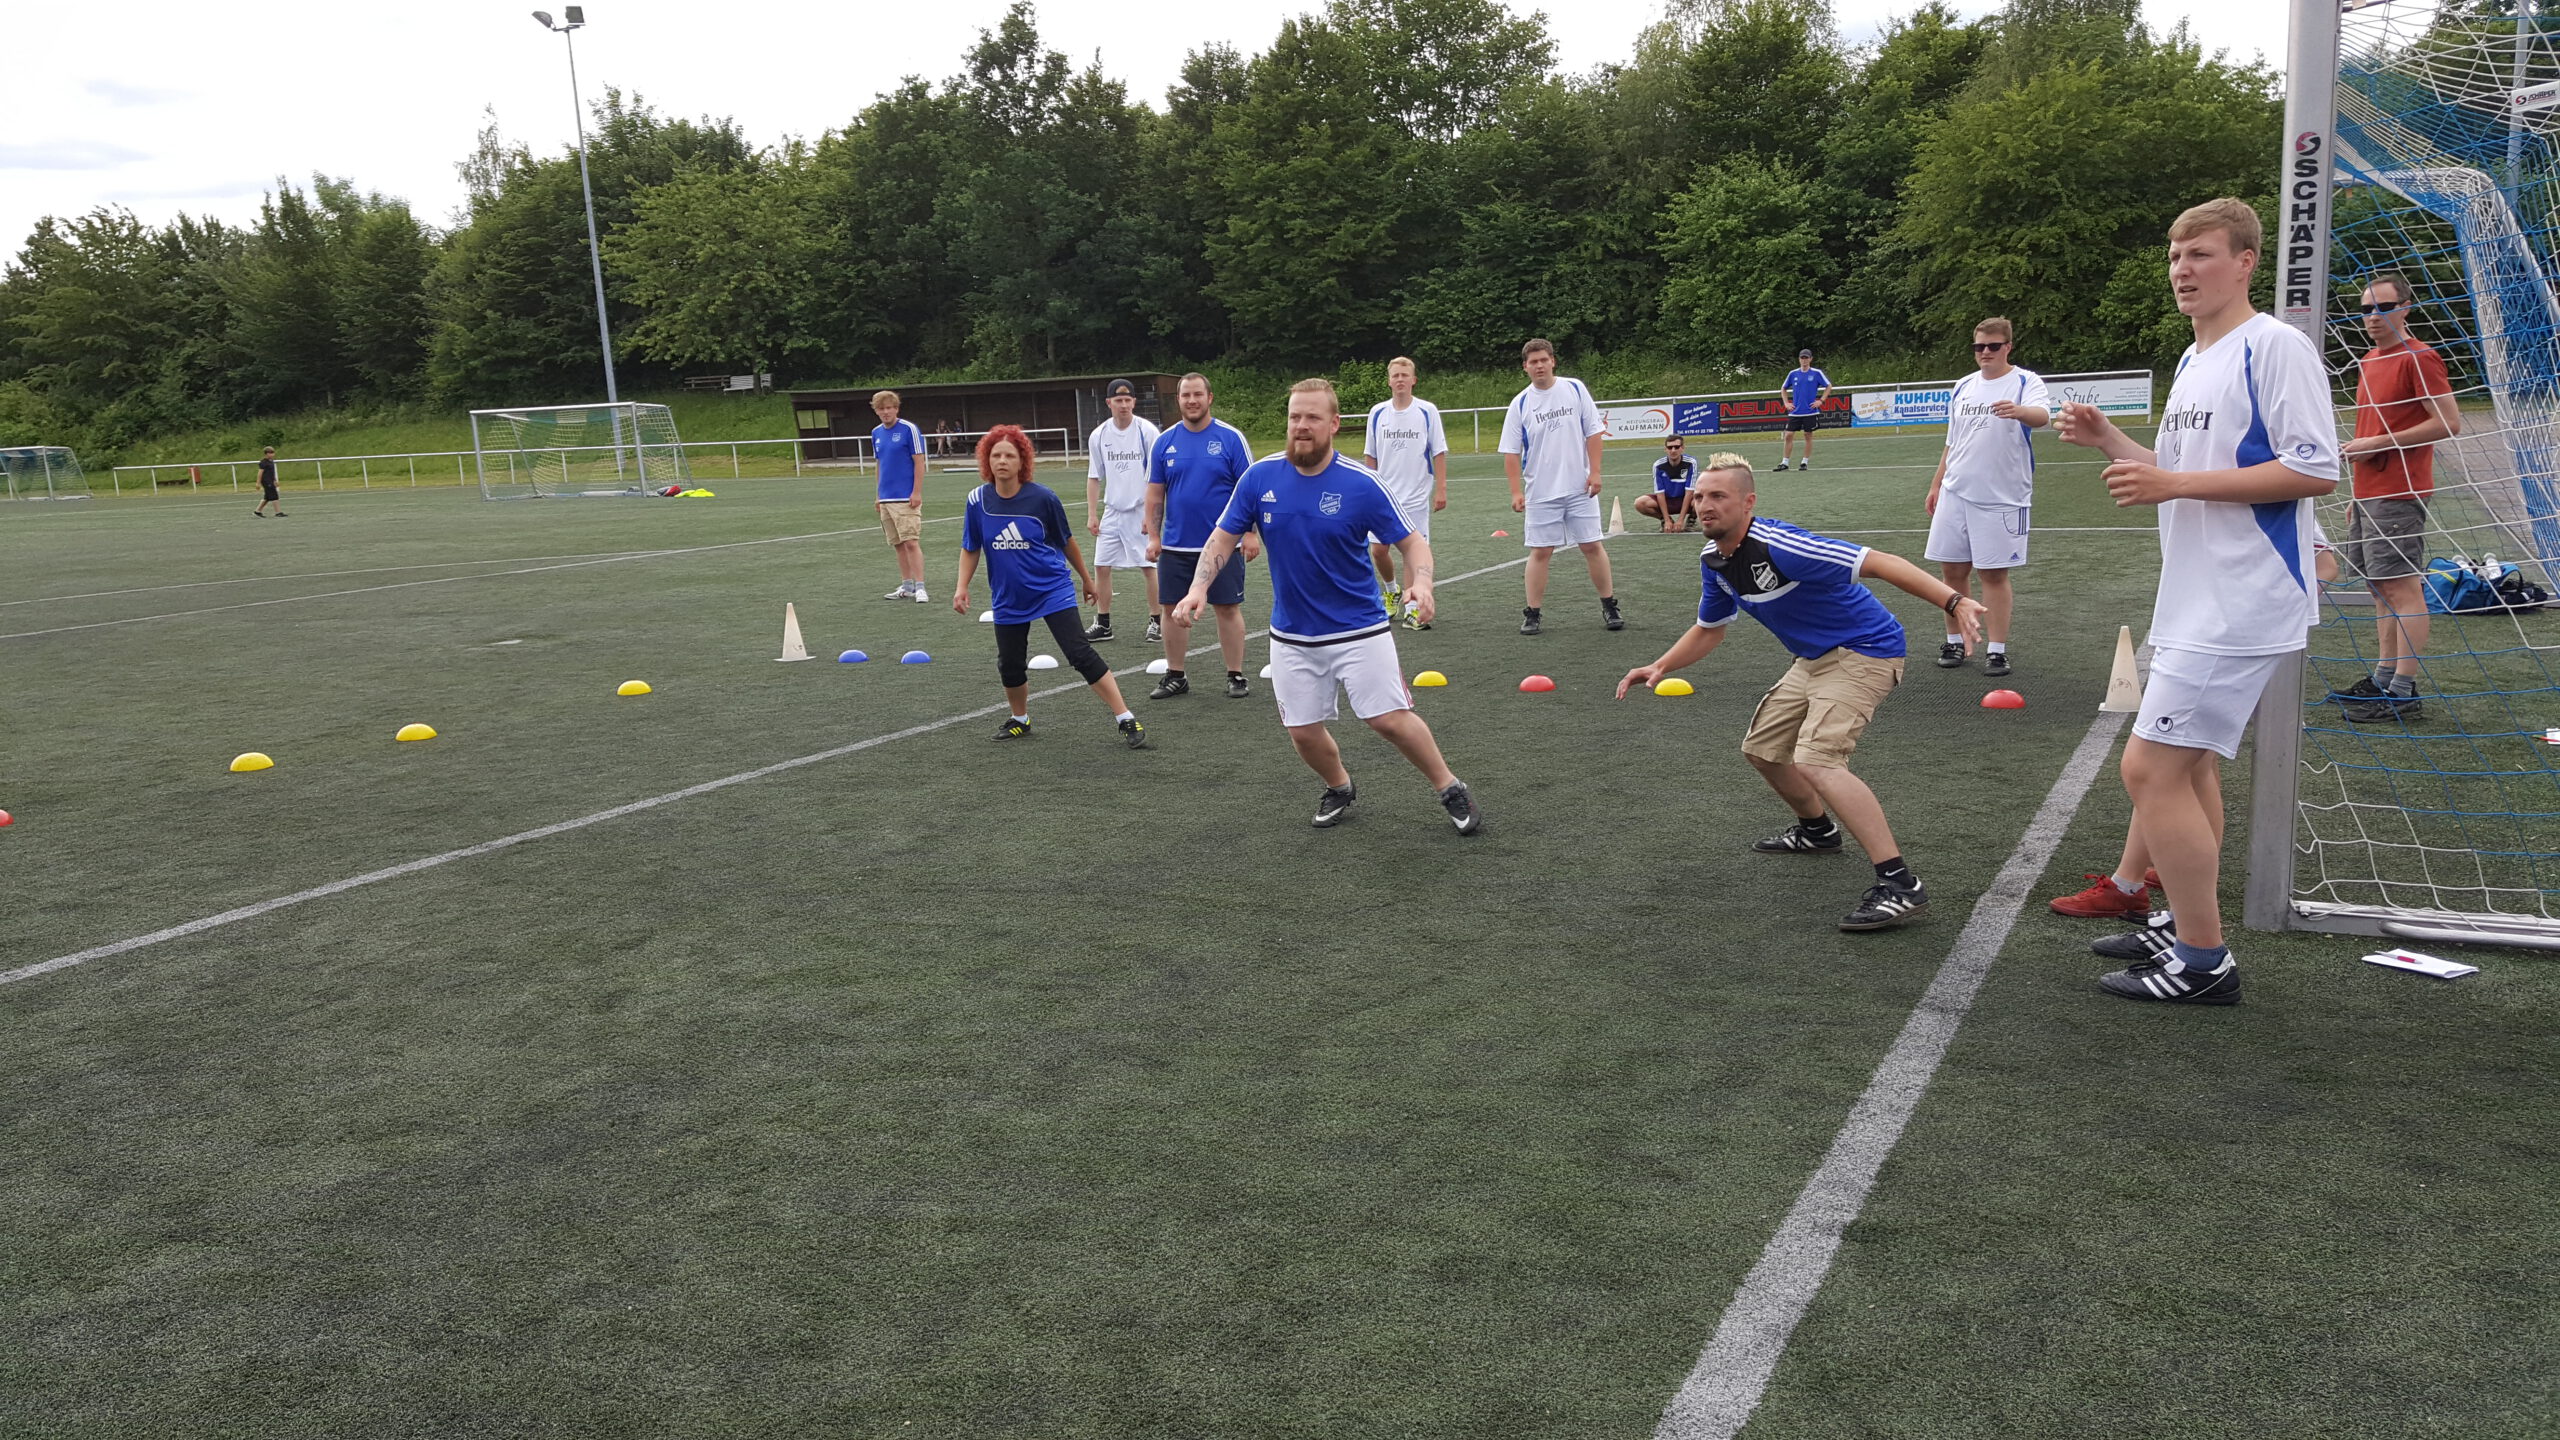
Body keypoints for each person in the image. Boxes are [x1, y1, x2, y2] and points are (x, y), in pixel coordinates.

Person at [2058, 196, 2340, 1005]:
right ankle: (2182, 927)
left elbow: (2314, 467)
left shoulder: (2273, 346)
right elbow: (2183, 468)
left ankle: (2204, 963)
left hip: (2242, 598)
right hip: (2195, 597)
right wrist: (2111, 443)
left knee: (2149, 768)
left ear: (2246, 262)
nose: (2183, 270)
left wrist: (2175, 484)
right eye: (2176, 256)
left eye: (2201, 254)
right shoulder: (2193, 358)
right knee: (2192, 768)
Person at [1617, 452, 1984, 931]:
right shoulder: (1713, 560)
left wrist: (1953, 601)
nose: (1705, 505)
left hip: (1865, 650)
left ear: (1748, 503)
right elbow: (1710, 628)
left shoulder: (1782, 545)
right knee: (1764, 750)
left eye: (1719, 496)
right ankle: (1818, 831)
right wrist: (1661, 665)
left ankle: (1900, 885)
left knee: (1818, 760)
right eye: (1701, 496)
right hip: (1812, 660)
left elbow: (1881, 562)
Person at [1174, 378, 1482, 834]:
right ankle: (1339, 785)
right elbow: (1222, 538)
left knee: (1388, 720)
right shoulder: (1259, 478)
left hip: (1359, 629)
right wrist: (1198, 589)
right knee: (1302, 730)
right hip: (1292, 634)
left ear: (1334, 424)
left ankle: (1449, 786)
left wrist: (1423, 583)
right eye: (1294, 416)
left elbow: (1412, 542)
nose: (1301, 425)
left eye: (1312, 417)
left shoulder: (1362, 483)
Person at [952, 425, 1147, 749]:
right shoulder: (977, 500)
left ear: (1022, 461)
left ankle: (1125, 717)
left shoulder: (1043, 498)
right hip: (1008, 596)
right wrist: (962, 587)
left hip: (1051, 589)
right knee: (1010, 664)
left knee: (1079, 653)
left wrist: (1086, 579)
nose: (1002, 461)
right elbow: (971, 546)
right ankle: (1020, 719)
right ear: (987, 459)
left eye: (1009, 455)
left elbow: (1066, 541)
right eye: (996, 455)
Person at [2336, 270, 2460, 723]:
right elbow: (2368, 428)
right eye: (2366, 309)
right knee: (2379, 588)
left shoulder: (2420, 357)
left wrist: (2378, 445)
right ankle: (2384, 678)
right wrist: (2357, 492)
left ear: (2405, 308)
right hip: (2370, 491)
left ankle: (2403, 691)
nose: (2373, 316)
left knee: (2402, 588)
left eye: (2383, 307)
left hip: (2400, 490)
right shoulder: (2370, 359)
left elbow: (2448, 423)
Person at [1923, 317, 2051, 678]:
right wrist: (1936, 484)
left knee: (1993, 573)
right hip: (1955, 491)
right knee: (1952, 570)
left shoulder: (2025, 381)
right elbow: (1952, 442)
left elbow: (2042, 416)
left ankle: (1996, 650)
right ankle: (1955, 641)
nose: (1985, 352)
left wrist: (2019, 411)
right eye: (1979, 346)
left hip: (2001, 495)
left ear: (2008, 346)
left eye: (1993, 346)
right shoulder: (1963, 385)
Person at [1145, 373, 1258, 698]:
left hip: (1224, 545)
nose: (1191, 401)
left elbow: (1249, 489)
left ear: (1209, 398)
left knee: (1227, 608)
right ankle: (1176, 674)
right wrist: (1154, 537)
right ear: (1178, 400)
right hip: (1175, 545)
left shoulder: (1231, 438)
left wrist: (1250, 533)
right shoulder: (1164, 441)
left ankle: (1235, 675)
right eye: (1186, 395)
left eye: (1197, 394)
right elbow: (1155, 493)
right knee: (1171, 608)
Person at [1499, 338, 1622, 635]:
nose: (1539, 366)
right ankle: (1532, 613)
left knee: (1592, 545)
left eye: (1544, 360)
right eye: (1533, 362)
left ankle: (1610, 606)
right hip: (1541, 492)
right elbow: (1511, 452)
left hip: (1580, 488)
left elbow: (1594, 432)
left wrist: (1595, 472)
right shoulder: (1520, 404)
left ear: (1553, 361)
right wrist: (1516, 491)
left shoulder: (1574, 388)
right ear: (1525, 367)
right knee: (1541, 551)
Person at [1361, 356, 1450, 630]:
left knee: (1412, 552)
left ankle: (1412, 609)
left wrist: (1441, 489)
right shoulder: (1378, 413)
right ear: (1389, 381)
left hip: (1415, 495)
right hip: (1384, 495)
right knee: (1378, 550)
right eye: (1395, 375)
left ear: (1414, 380)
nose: (1400, 379)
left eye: (1404, 375)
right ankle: (1392, 590)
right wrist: (1369, 490)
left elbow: (1438, 451)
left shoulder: (1427, 411)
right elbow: (1370, 455)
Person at [1083, 378, 1163, 644]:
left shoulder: (1147, 431)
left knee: (1148, 565)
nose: (1124, 405)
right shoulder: (1099, 435)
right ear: (1109, 403)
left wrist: (1151, 515)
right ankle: (1103, 622)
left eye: (1128, 400)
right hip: (1113, 511)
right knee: (1101, 565)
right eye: (1118, 400)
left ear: (1134, 402)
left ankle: (1157, 620)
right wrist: (1092, 514)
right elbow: (1094, 476)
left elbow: (1157, 477)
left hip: (1140, 509)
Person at [871, 391, 929, 602]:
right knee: (897, 544)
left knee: (911, 542)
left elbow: (919, 462)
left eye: (889, 408)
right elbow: (880, 464)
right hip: (886, 499)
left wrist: (916, 492)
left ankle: (920, 587)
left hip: (905, 498)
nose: (886, 412)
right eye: (881, 408)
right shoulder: (876, 433)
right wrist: (878, 495)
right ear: (876, 411)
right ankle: (907, 586)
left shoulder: (908, 429)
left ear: (896, 408)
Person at [1775, 349, 1831, 471]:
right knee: (1788, 435)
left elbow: (1828, 386)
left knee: (1807, 435)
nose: (1804, 360)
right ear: (1799, 359)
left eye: (1806, 358)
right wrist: (1786, 403)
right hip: (1795, 411)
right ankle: (1785, 462)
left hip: (1810, 411)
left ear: (1811, 359)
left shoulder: (1816, 373)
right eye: (1802, 358)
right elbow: (1783, 388)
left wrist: (1821, 400)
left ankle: (1804, 462)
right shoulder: (1793, 373)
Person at [1635, 435, 1698, 532]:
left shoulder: (1691, 463)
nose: (1673, 450)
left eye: (1676, 447)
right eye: (1670, 447)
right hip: (1667, 501)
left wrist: (1680, 520)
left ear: (1682, 448)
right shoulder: (1658, 465)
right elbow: (1660, 494)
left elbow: (1689, 493)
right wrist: (1667, 519)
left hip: (1685, 500)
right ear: (1665, 449)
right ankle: (1665, 520)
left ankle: (1691, 520)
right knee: (1640, 503)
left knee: (1703, 501)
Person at [251, 447, 285, 517]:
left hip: (271, 481)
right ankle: (278, 512)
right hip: (266, 481)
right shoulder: (263, 462)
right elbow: (260, 473)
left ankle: (257, 512)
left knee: (267, 498)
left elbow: (272, 473)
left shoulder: (271, 461)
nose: (272, 454)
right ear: (266, 454)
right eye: (270, 453)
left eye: (273, 453)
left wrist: (275, 480)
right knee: (274, 496)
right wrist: (258, 483)